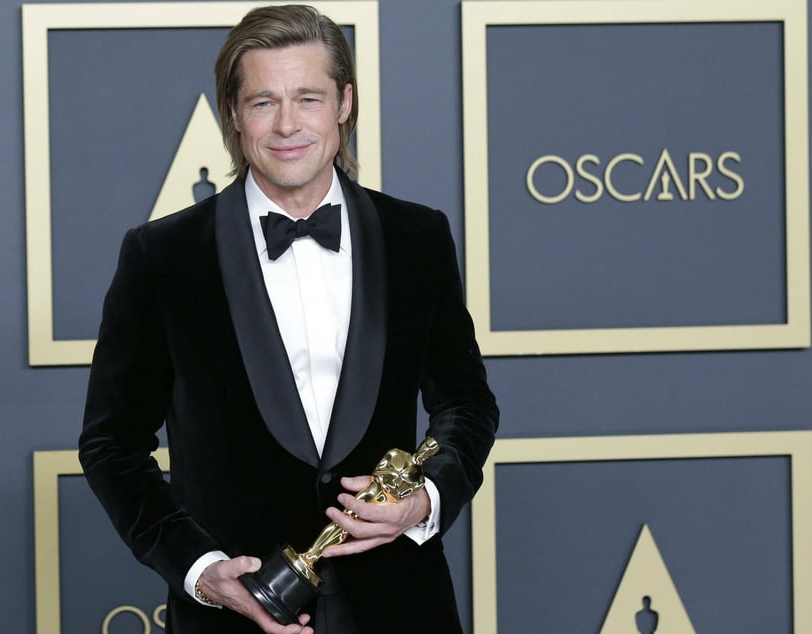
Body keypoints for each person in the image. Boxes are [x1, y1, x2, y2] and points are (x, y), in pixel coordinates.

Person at [78, 5, 498, 633]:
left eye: (308, 98)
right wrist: (199, 569)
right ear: (234, 114)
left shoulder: (418, 237)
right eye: (263, 102)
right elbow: (111, 444)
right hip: (235, 615)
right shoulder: (161, 256)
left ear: (344, 104)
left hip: (403, 609)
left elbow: (466, 404)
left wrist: (424, 501)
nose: (287, 125)